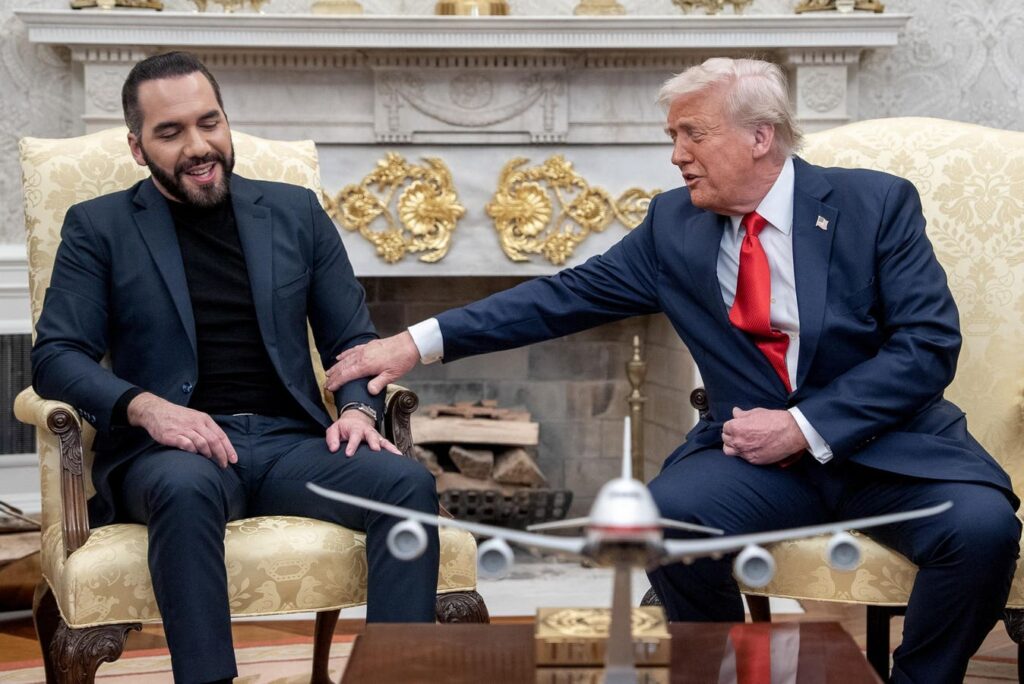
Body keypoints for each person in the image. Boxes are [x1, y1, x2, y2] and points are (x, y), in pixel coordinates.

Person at [325, 57, 1020, 682]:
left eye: (693, 134)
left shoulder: (875, 205)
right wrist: (413, 343)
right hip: (752, 462)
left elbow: (927, 345)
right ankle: (721, 669)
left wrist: (804, 426)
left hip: (888, 449)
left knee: (983, 531)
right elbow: (560, 298)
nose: (677, 154)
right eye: (672, 136)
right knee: (661, 520)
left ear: (760, 136)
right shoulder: (673, 226)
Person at [31, 51, 439, 684]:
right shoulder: (98, 227)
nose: (198, 146)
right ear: (138, 148)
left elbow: (352, 340)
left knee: (405, 484)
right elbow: (56, 355)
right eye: (171, 132)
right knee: (184, 488)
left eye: (209, 122)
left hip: (290, 446)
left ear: (225, 121)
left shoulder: (297, 212)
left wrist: (359, 408)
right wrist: (147, 408)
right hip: (169, 452)